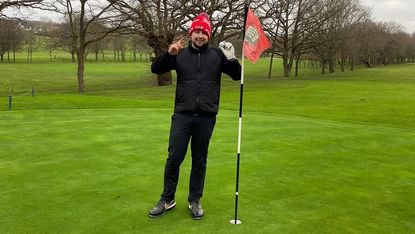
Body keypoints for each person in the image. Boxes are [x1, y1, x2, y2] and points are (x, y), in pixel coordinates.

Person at [149, 12, 241, 220]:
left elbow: (237, 76)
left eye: (204, 32)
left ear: (209, 35)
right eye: (196, 31)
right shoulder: (180, 54)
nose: (200, 35)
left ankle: (194, 200)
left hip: (206, 116)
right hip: (182, 114)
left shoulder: (217, 55)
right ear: (191, 33)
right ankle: (167, 199)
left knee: (199, 160)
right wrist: (169, 54)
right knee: (174, 157)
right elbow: (156, 68)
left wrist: (232, 58)